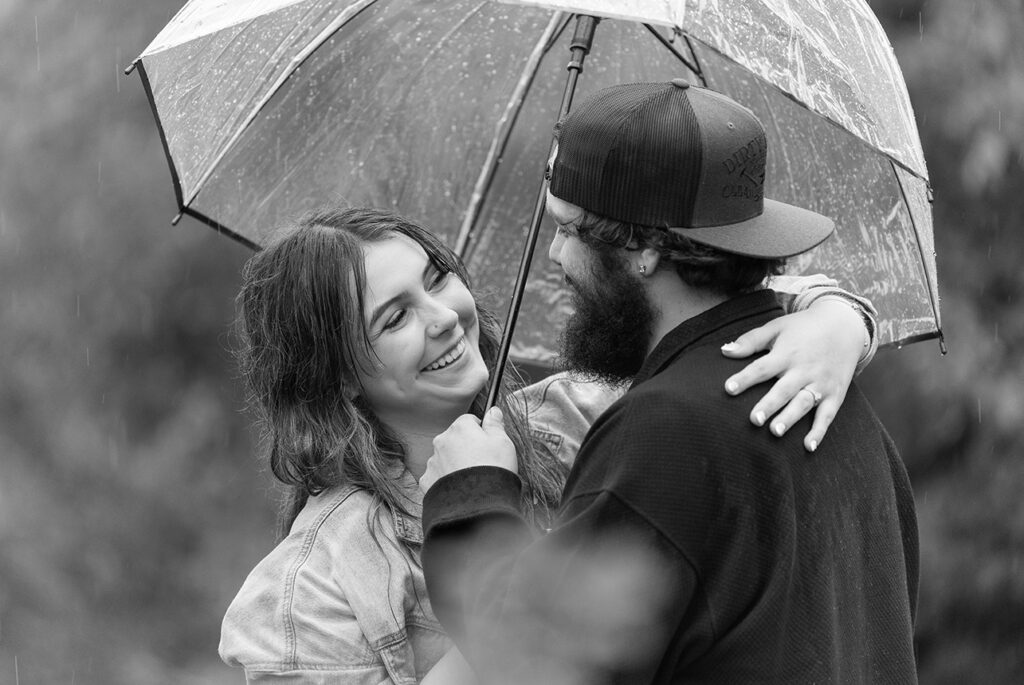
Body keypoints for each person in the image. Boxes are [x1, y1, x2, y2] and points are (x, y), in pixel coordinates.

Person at [218, 200, 877, 684]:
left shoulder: (588, 412)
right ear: (337, 382)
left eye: (438, 275)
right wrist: (478, 519)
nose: (447, 316)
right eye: (395, 317)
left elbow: (723, 312)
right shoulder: (306, 591)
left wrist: (839, 320)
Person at [420, 81, 919, 684]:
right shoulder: (843, 408)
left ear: (643, 248)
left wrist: (470, 494)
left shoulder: (670, 431)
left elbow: (535, 665)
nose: (554, 255)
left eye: (567, 229)